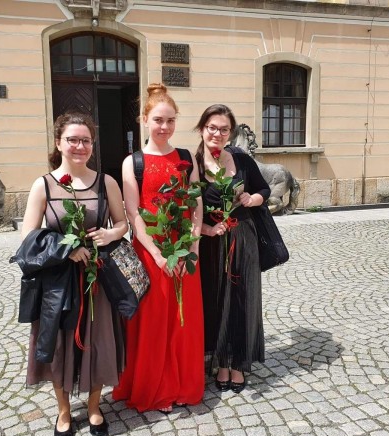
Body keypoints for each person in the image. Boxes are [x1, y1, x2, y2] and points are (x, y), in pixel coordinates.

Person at [20, 112, 128, 436]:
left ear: (92, 145)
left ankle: (95, 406)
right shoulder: (45, 185)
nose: (79, 146)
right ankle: (64, 410)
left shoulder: (105, 182)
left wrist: (109, 237)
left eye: (85, 140)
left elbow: (123, 224)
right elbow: (28, 235)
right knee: (59, 346)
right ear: (59, 143)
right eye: (72, 139)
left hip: (97, 281)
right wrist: (66, 250)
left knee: (98, 343)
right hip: (57, 284)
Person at [112, 83, 205, 413]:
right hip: (151, 252)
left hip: (183, 252)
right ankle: (158, 385)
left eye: (170, 120)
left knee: (183, 322)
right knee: (154, 323)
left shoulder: (185, 158)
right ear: (144, 120)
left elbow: (196, 205)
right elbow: (133, 212)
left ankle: (183, 384)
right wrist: (156, 254)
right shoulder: (132, 162)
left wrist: (189, 246)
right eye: (158, 120)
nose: (164, 127)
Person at [194, 104, 271, 393]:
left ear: (230, 133)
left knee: (242, 299)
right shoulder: (193, 164)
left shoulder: (241, 160)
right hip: (212, 241)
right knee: (215, 300)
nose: (217, 133)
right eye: (212, 127)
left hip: (243, 238)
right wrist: (206, 230)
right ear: (202, 129)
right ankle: (220, 362)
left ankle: (237, 364)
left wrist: (254, 198)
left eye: (224, 129)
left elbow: (264, 189)